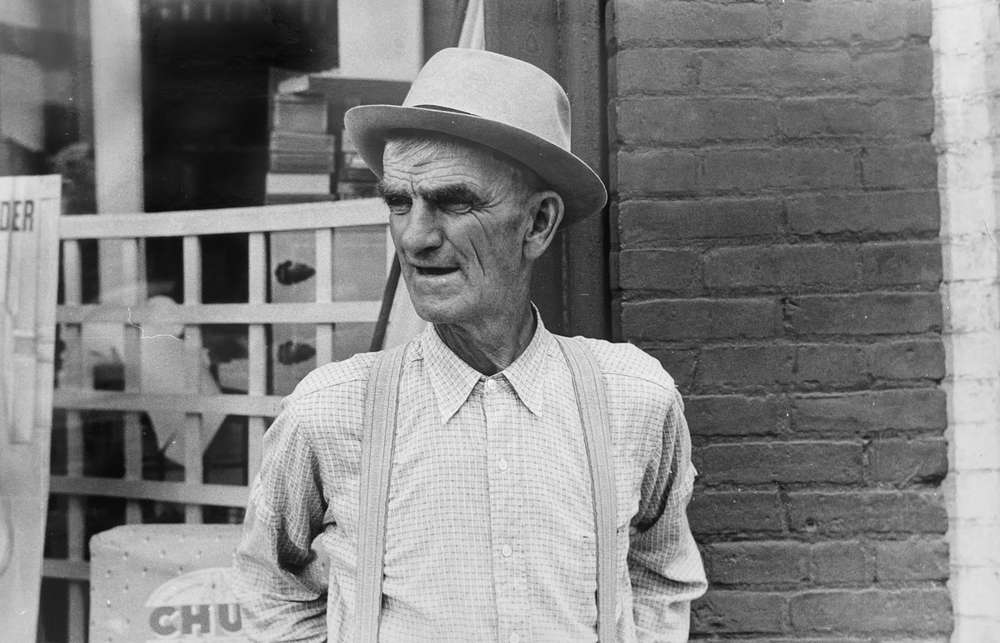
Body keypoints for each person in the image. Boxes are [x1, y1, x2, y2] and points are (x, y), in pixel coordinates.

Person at [232, 47, 706, 642]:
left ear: (538, 224)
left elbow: (659, 575)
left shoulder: (633, 397)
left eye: (454, 202)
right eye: (399, 202)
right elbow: (273, 586)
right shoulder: (330, 408)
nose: (416, 237)